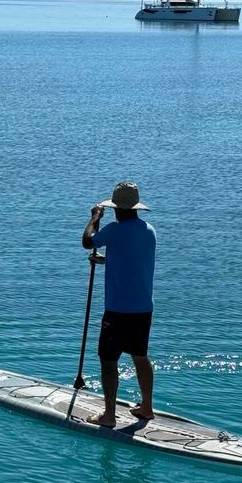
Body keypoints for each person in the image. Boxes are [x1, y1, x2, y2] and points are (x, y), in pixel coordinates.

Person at [81, 181, 156, 428]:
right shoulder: (148, 231)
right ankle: (146, 407)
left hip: (118, 309)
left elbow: (88, 240)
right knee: (140, 356)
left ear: (116, 208)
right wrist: (106, 260)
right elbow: (131, 259)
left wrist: (95, 217)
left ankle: (109, 415)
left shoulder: (113, 230)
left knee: (108, 359)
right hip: (143, 307)